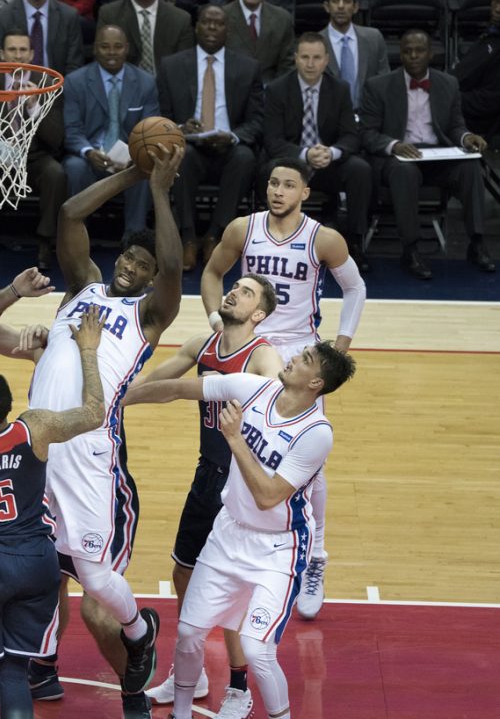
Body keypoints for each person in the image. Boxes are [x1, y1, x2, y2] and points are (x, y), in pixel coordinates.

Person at [0, 143, 184, 719]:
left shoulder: (148, 317)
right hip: (35, 451)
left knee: (93, 578)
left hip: (88, 452)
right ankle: (30, 668)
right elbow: (70, 216)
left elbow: (174, 268)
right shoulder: (80, 289)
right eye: (127, 262)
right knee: (32, 574)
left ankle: (139, 636)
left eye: (142, 268)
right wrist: (133, 172)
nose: (130, 268)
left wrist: (157, 191)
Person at [124, 341, 357, 719]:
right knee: (188, 633)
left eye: (304, 360)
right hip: (228, 533)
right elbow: (179, 388)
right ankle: (180, 713)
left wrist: (234, 438)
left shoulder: (316, 433)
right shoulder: (257, 388)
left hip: (278, 549)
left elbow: (268, 497)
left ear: (315, 382)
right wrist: (122, 399)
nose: (293, 357)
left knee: (257, 650)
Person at [200, 156, 367, 621]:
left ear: (304, 193)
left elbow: (355, 289)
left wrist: (339, 347)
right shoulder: (242, 228)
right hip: (253, 350)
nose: (278, 191)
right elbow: (212, 273)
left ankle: (315, 556)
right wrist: (217, 322)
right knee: (243, 441)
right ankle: (237, 533)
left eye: (288, 184)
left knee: (306, 460)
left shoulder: (323, 238)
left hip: (300, 357)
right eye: (273, 183)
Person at [0, 306, 106, 719]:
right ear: (10, 407)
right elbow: (95, 411)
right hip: (35, 559)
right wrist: (88, 350)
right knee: (14, 671)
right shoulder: (34, 428)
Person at [142, 274, 282, 718]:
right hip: (207, 475)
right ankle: (194, 668)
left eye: (246, 292)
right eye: (234, 286)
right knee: (183, 573)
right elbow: (157, 384)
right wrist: (108, 400)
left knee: (234, 589)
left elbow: (283, 411)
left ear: (258, 314)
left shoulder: (263, 357)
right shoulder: (201, 345)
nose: (234, 292)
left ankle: (240, 686)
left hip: (241, 481)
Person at [360, 28, 494, 280]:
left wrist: (467, 137)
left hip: (439, 155)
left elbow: (455, 126)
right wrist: (394, 145)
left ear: (431, 54)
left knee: (471, 167)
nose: (413, 56)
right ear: (399, 54)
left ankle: (477, 243)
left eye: (419, 50)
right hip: (398, 157)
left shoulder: (448, 83)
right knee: (404, 172)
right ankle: (410, 249)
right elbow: (367, 133)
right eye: (407, 51)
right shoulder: (378, 86)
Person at [157, 4, 264, 272]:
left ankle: (216, 235)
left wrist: (233, 136)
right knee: (181, 157)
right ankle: (188, 237)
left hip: (229, 147)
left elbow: (257, 121)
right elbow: (162, 118)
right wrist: (181, 128)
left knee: (245, 157)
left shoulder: (248, 67)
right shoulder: (171, 66)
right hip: (190, 147)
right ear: (196, 27)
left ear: (228, 29)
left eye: (219, 24)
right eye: (207, 22)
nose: (212, 28)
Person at [262, 32, 373, 272]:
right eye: (304, 57)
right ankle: (272, 242)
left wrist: (332, 152)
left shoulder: (340, 89)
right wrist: (304, 154)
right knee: (266, 168)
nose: (310, 64)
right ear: (295, 59)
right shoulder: (277, 89)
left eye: (316, 58)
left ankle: (354, 243)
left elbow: (352, 136)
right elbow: (272, 141)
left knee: (360, 169)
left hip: (328, 163)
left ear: (326, 60)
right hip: (293, 164)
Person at [0, 29, 67, 271]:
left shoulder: (49, 85)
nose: (17, 56)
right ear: (1, 53)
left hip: (34, 158)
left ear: (31, 54)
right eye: (12, 50)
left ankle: (44, 243)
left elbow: (56, 139)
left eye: (22, 50)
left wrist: (33, 107)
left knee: (56, 173)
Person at [62, 24, 159, 242]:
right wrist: (88, 152)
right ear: (95, 49)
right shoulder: (76, 81)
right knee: (74, 167)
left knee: (145, 169)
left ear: (127, 48)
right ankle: (77, 236)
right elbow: (72, 130)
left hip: (130, 159)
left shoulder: (145, 83)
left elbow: (150, 131)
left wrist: (136, 155)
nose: (112, 52)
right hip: (90, 158)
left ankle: (134, 240)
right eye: (105, 47)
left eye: (117, 47)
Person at [318, 0, 390, 111]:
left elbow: (385, 82)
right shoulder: (315, 43)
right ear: (327, 6)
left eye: (347, 1)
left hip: (368, 117)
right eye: (335, 1)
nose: (341, 6)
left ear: (356, 7)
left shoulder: (374, 38)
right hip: (329, 119)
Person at [96, 0, 194, 76]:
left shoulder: (181, 18)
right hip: (124, 86)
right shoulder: (109, 14)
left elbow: (183, 67)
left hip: (166, 89)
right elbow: (101, 57)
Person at [0, 0, 84, 75]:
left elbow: (74, 65)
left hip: (57, 92)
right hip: (12, 93)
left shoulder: (69, 16)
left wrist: (58, 95)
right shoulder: (1, 17)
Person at [452, 0, 500, 142]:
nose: (498, 9)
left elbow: (491, 100)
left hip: (480, 122)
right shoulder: (492, 34)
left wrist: (447, 99)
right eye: (496, 1)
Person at [222, 0, 294, 85]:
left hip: (270, 90)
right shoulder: (221, 16)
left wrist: (276, 92)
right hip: (230, 88)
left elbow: (287, 64)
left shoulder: (283, 18)